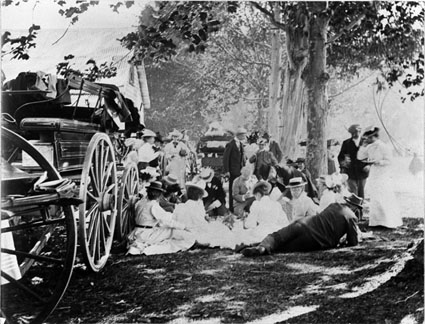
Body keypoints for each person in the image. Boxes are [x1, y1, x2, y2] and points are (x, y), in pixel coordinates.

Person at [240, 193, 363, 257]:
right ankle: (260, 248)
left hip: (304, 222)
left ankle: (259, 246)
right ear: (355, 208)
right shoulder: (352, 217)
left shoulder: (334, 205)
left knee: (278, 236)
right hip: (316, 239)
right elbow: (353, 242)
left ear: (347, 202)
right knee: (284, 247)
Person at [127, 181, 195, 255]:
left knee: (167, 229)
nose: (159, 195)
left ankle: (143, 247)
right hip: (147, 235)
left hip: (136, 233)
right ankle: (151, 249)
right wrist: (184, 227)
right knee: (179, 233)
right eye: (158, 193)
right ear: (157, 194)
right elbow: (167, 221)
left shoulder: (140, 203)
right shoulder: (154, 205)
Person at [357, 126, 402, 228]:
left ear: (373, 137)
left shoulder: (383, 146)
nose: (366, 140)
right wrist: (362, 146)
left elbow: (390, 161)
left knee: (384, 196)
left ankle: (388, 221)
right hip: (374, 174)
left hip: (382, 174)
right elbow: (360, 157)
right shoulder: (369, 146)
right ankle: (376, 221)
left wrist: (378, 162)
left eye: (368, 138)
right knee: (375, 197)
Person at [173, 179, 236, 249]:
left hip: (182, 232)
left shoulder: (179, 207)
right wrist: (208, 221)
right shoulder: (197, 207)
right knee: (221, 229)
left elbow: (175, 221)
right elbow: (200, 224)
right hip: (195, 231)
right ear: (200, 196)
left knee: (217, 227)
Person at [233, 181, 289, 246]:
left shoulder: (256, 204)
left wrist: (245, 221)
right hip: (276, 231)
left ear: (258, 194)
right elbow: (285, 222)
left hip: (262, 231)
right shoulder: (276, 204)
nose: (255, 198)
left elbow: (250, 224)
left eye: (255, 196)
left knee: (242, 236)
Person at [338, 124, 370, 198]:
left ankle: (360, 208)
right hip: (350, 172)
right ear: (351, 133)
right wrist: (344, 162)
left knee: (361, 192)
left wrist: (369, 165)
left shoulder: (366, 143)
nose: (356, 134)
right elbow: (340, 156)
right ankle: (353, 208)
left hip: (362, 171)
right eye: (354, 132)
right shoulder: (346, 143)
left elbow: (372, 156)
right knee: (352, 193)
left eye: (358, 131)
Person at [223, 126, 247, 212]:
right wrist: (227, 171)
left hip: (240, 171)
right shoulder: (230, 144)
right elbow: (226, 158)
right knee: (232, 189)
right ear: (239, 135)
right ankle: (231, 208)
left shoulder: (240, 144)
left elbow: (243, 158)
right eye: (243, 135)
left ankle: (239, 207)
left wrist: (244, 168)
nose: (244, 137)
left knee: (239, 189)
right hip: (233, 171)